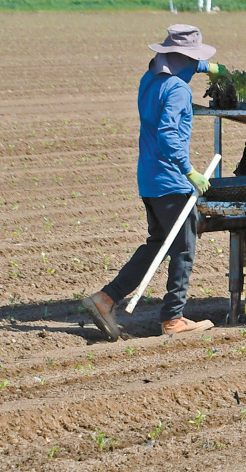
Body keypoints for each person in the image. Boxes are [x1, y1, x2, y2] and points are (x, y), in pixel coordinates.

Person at [81, 24, 227, 340]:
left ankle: (105, 299)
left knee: (159, 245)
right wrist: (190, 171)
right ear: (183, 59)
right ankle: (173, 318)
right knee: (184, 248)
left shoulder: (150, 80)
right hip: (172, 181)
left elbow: (186, 65)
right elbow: (169, 135)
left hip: (149, 179)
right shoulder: (178, 90)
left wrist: (211, 67)